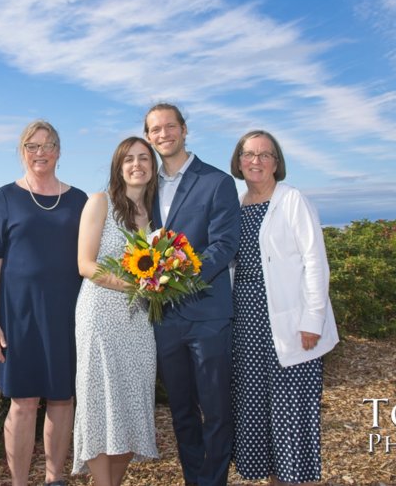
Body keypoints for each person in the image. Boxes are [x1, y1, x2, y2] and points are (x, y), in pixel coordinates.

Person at [228, 130, 339, 485]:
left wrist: (313, 319)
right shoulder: (237, 205)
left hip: (290, 323)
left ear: (277, 162)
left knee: (292, 413)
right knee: (257, 411)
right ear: (238, 160)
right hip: (246, 323)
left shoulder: (293, 200)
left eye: (265, 154)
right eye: (249, 154)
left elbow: (315, 262)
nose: (256, 161)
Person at [0, 120, 88, 486]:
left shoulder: (79, 200)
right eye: (32, 146)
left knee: (62, 399)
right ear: (22, 151)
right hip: (18, 317)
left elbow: (92, 257)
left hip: (66, 315)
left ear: (59, 151)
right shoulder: (5, 197)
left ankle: (54, 478)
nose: (40, 152)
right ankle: (19, 482)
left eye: (48, 145)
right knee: (23, 403)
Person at [143, 103, 240, 486]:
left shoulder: (216, 182)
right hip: (165, 320)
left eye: (170, 126)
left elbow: (225, 245)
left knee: (215, 410)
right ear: (149, 137)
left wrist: (179, 277)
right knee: (181, 411)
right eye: (155, 129)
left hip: (208, 316)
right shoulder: (146, 188)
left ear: (184, 130)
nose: (163, 134)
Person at [72, 137, 160, 485]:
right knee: (98, 404)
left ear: (153, 167)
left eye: (144, 158)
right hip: (100, 317)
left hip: (139, 321)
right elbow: (84, 264)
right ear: (118, 167)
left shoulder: (156, 214)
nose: (137, 164)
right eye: (129, 159)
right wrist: (135, 287)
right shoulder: (100, 203)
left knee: (132, 405)